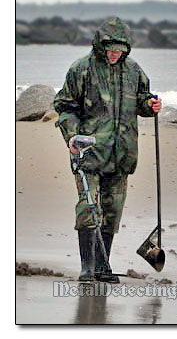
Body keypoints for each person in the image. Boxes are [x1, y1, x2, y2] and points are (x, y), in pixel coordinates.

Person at [54, 17, 162, 283]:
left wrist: (151, 106)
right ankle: (87, 268)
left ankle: (103, 265)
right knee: (89, 209)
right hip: (88, 152)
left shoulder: (134, 70)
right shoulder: (81, 69)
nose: (114, 55)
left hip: (121, 154)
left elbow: (142, 100)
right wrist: (71, 136)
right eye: (110, 50)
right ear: (100, 46)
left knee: (112, 211)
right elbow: (65, 107)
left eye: (119, 51)